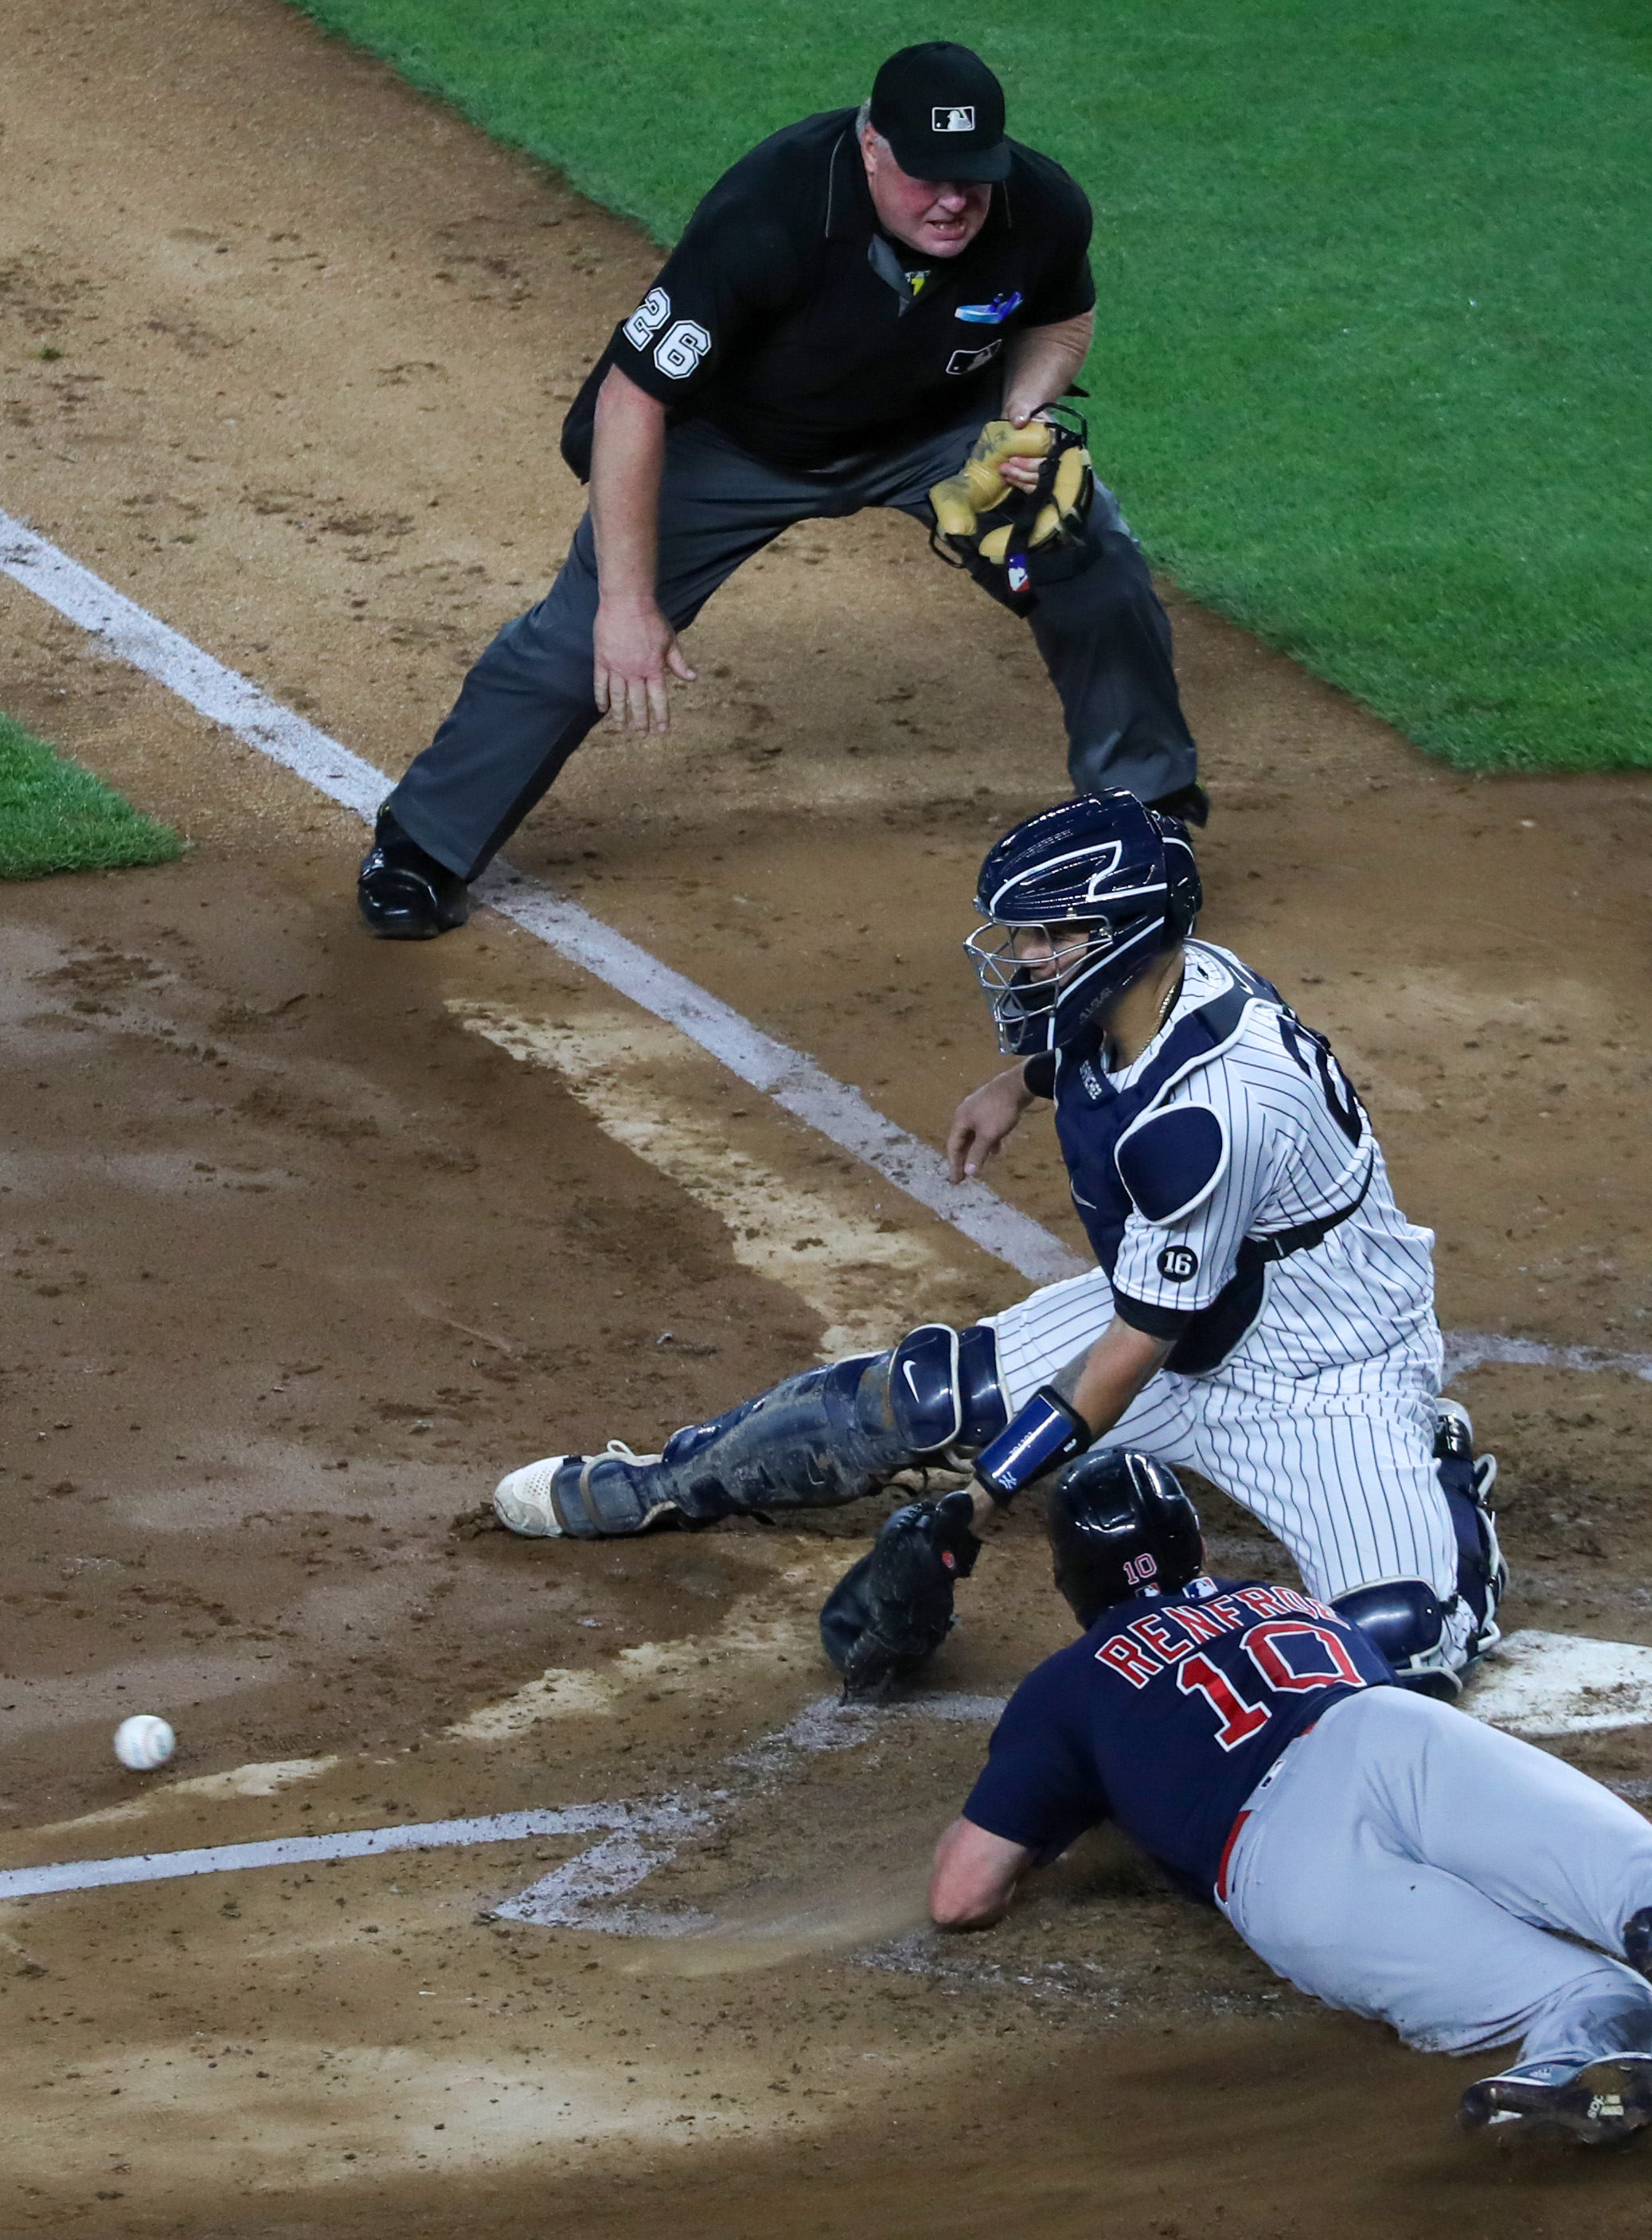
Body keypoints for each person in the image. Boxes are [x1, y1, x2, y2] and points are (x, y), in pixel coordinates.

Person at [489, 790, 1506, 1707]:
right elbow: (1097, 1058)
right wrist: (1016, 1086)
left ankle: (1433, 1468)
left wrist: (973, 1506)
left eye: (1051, 934)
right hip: (1190, 1303)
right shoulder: (1181, 978)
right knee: (915, 1397)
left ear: (1123, 935)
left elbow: (1129, 1353)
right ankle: (663, 1482)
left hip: (1320, 1367)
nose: (1026, 955)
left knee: (1397, 1656)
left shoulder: (1209, 1119)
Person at [356, 41, 1204, 940]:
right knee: (586, 639)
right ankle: (422, 845)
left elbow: (1062, 314)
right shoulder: (773, 210)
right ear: (873, 146)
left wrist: (1023, 413)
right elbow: (631, 396)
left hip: (933, 431)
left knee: (1087, 555)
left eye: (973, 175)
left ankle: (1143, 826)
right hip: (735, 442)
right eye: (927, 174)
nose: (953, 198)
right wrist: (630, 604)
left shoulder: (1040, 206)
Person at [930, 1449, 1652, 2148]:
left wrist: (1098, 1822)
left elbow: (963, 1891)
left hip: (1280, 1865)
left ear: (1074, 1582)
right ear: (1196, 1545)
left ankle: (1581, 2044)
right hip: (1386, 1732)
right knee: (1632, 1871)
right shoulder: (1291, 1605)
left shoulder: (1069, 1681)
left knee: (1556, 1989)